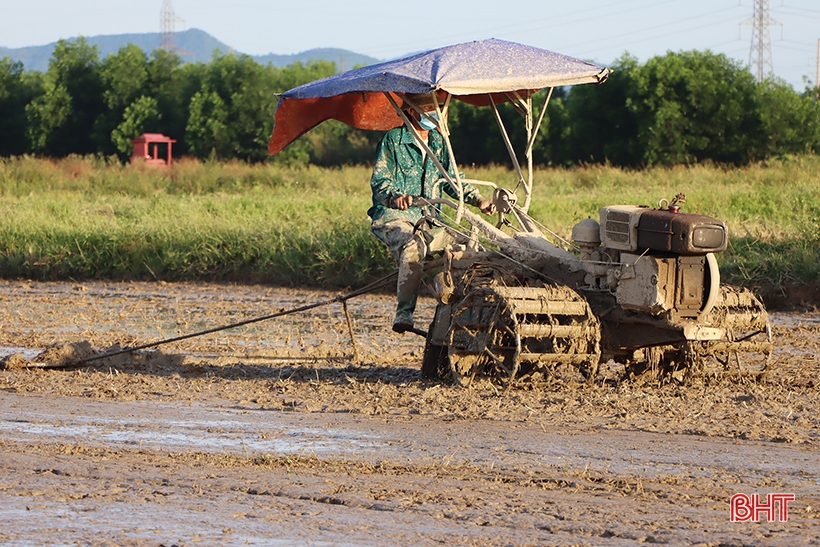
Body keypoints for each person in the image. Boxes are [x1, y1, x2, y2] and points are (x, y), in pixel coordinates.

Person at [368, 94, 494, 333]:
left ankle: (465, 309)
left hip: (428, 221)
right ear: (414, 112)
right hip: (395, 218)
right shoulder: (393, 140)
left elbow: (453, 181)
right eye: (429, 110)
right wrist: (396, 196)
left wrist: (479, 200)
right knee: (413, 245)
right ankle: (404, 312)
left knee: (469, 243)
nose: (436, 116)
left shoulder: (438, 142)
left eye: (437, 110)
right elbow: (380, 181)